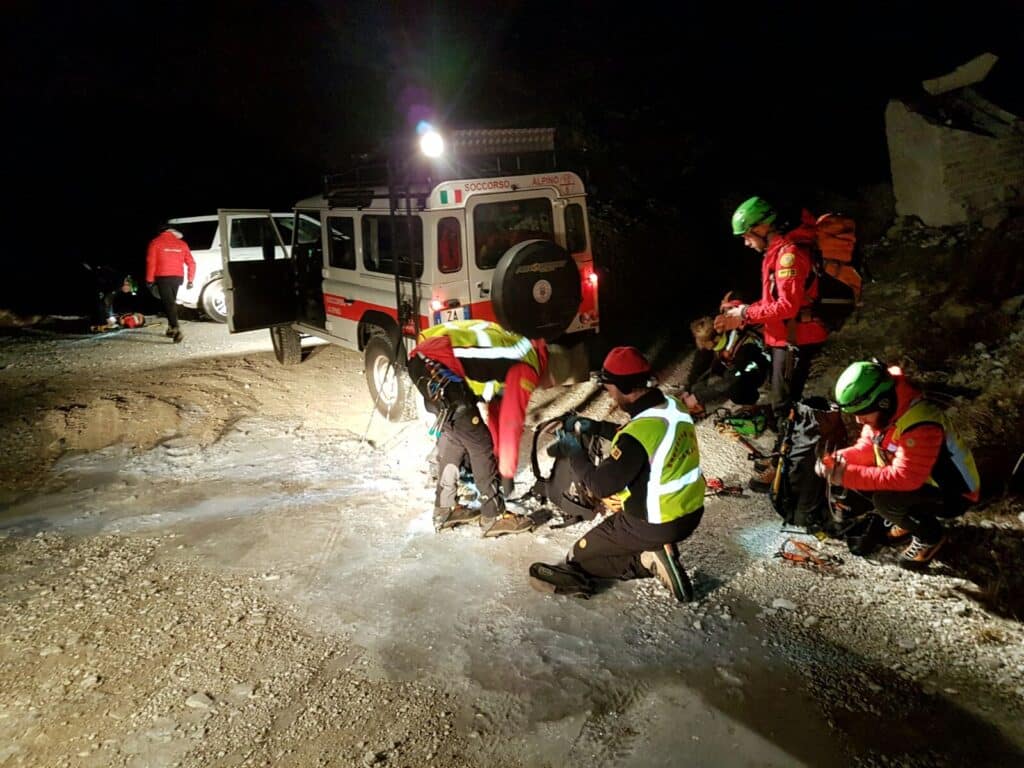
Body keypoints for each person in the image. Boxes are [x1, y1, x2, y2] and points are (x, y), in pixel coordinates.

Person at [530, 346, 706, 601]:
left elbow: (600, 486)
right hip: (690, 512)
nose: (610, 396)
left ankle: (647, 560)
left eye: (609, 388)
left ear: (625, 388)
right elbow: (643, 436)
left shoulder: (637, 436)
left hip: (653, 523)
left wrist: (575, 452)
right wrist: (598, 427)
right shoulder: (672, 407)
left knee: (578, 557)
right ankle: (652, 550)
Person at [408, 319, 582, 538]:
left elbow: (497, 415)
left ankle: (444, 509)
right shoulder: (526, 368)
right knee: (479, 443)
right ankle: (493, 516)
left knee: (457, 436)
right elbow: (511, 423)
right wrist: (506, 475)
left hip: (425, 361)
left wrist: (501, 461)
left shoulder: (518, 347)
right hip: (439, 368)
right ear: (552, 373)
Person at [815, 361, 980, 570]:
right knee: (863, 484)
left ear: (882, 403)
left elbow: (906, 478)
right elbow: (868, 448)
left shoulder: (921, 423)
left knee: (885, 500)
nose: (858, 420)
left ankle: (930, 536)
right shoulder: (888, 412)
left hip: (955, 493)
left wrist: (845, 475)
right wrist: (839, 459)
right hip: (924, 482)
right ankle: (909, 518)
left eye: (863, 412)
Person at [715, 197, 828, 417]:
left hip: (796, 336)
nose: (747, 243)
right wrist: (742, 310)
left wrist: (746, 314)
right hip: (785, 334)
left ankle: (794, 441)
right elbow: (773, 300)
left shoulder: (789, 256)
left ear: (762, 227)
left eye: (747, 235)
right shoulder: (776, 252)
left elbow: (787, 306)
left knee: (783, 403)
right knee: (781, 395)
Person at [682, 314, 770, 417]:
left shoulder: (744, 347)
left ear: (712, 340)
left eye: (700, 340)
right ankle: (700, 407)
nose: (698, 342)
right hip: (734, 369)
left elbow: (730, 381)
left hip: (756, 371)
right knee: (697, 386)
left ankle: (752, 402)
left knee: (735, 390)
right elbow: (699, 366)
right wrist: (687, 389)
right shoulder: (714, 340)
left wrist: (697, 397)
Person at [146, 226, 196, 343]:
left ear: (161, 233)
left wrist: (149, 279)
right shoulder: (182, 244)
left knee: (168, 303)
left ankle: (176, 328)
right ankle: (170, 328)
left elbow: (151, 262)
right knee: (170, 302)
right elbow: (191, 263)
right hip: (178, 277)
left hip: (163, 277)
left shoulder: (155, 242)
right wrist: (190, 279)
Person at [84, 264, 138, 330]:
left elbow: (110, 297)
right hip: (95, 280)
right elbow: (108, 299)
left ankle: (97, 321)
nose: (127, 292)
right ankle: (97, 323)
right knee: (101, 304)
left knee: (102, 302)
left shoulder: (120, 280)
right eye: (129, 290)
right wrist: (109, 317)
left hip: (99, 281)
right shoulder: (119, 283)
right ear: (128, 284)